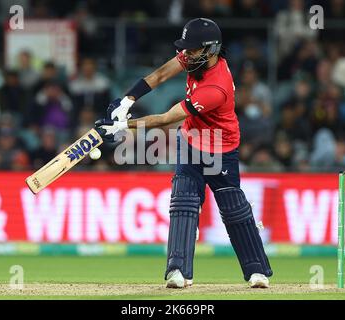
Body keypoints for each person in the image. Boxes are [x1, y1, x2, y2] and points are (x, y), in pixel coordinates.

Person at [95, 18, 272, 288]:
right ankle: (178, 271)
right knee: (183, 203)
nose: (186, 55)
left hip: (220, 148)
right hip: (191, 142)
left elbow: (167, 119)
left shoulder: (215, 88)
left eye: (192, 50)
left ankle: (257, 271)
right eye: (185, 49)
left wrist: (124, 125)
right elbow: (161, 74)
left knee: (233, 209)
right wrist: (128, 99)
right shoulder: (195, 57)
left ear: (211, 50)